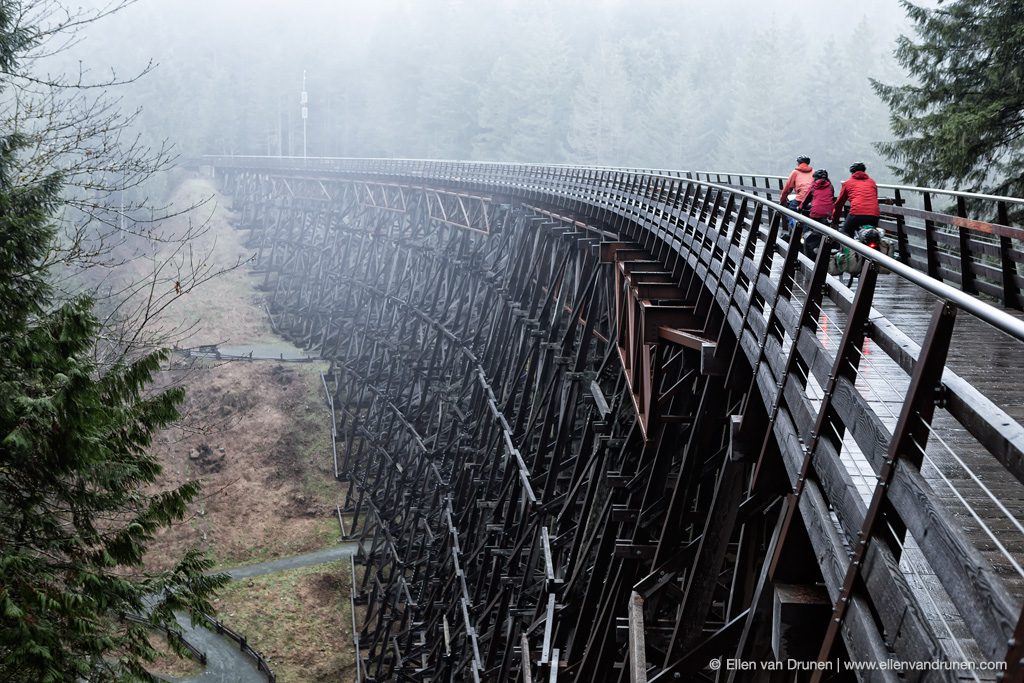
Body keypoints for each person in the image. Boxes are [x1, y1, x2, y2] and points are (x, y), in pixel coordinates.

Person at [832, 162, 880, 237]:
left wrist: (835, 220)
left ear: (852, 172)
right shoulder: (872, 182)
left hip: (856, 214)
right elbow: (875, 198)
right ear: (864, 171)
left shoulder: (847, 183)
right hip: (874, 215)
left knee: (845, 234)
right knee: (873, 236)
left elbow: (839, 204)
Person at [799, 169, 834, 257]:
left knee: (809, 229)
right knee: (827, 231)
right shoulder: (830, 186)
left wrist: (800, 207)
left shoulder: (813, 186)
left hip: (815, 213)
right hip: (828, 213)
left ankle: (807, 249)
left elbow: (806, 199)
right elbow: (831, 197)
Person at [779, 156, 814, 237]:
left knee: (791, 211)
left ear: (798, 163)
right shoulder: (813, 172)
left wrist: (782, 200)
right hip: (813, 199)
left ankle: (795, 229)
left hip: (801, 198)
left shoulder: (795, 172)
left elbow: (787, 189)